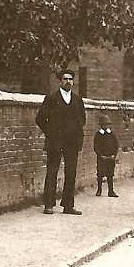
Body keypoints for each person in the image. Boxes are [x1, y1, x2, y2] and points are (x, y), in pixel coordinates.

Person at [36, 69, 87, 215]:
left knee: (71, 173)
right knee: (52, 171)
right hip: (55, 141)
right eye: (65, 79)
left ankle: (68, 205)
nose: (68, 82)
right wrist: (51, 133)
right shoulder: (52, 98)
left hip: (72, 142)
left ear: (73, 81)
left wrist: (75, 132)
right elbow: (40, 119)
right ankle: (49, 204)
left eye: (71, 79)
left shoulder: (77, 100)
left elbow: (82, 119)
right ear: (60, 81)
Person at [93, 114, 120, 198]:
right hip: (102, 158)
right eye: (104, 124)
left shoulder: (112, 134)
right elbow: (96, 146)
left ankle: (111, 191)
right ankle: (99, 190)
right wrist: (100, 155)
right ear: (101, 125)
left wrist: (114, 155)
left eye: (108, 124)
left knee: (110, 174)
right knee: (100, 174)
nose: (106, 126)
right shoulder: (98, 135)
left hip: (110, 157)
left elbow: (116, 145)